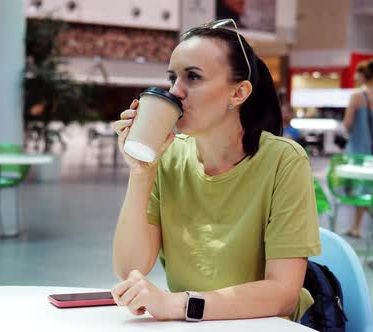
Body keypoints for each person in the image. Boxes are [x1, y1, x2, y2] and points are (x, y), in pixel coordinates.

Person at [110, 19, 320, 322]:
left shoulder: (283, 161)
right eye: (172, 78)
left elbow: (283, 294)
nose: (175, 91)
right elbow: (131, 267)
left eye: (192, 77)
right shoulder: (167, 159)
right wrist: (141, 172)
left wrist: (179, 305)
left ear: (238, 93)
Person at [342, 60, 373, 238]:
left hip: (356, 149)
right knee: (365, 189)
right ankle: (367, 220)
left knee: (355, 189)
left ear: (362, 75)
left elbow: (347, 123)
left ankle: (365, 222)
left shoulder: (356, 96)